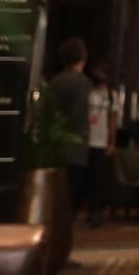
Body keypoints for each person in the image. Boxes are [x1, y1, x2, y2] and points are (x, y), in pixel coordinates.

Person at [48, 38, 91, 217]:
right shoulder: (82, 82)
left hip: (55, 143)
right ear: (83, 56)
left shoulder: (55, 81)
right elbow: (79, 113)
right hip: (75, 145)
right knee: (71, 195)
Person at [85, 63, 117, 226]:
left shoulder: (110, 95)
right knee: (86, 177)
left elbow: (113, 119)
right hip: (86, 140)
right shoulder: (87, 93)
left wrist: (112, 142)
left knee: (98, 179)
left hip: (101, 140)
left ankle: (95, 211)